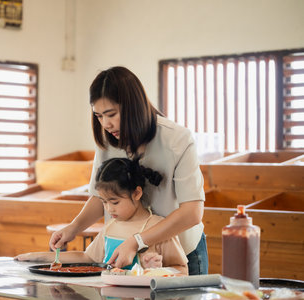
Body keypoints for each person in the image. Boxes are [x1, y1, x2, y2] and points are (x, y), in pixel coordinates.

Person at [49, 66, 208, 275]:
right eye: (98, 116)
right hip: (126, 253)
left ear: (133, 107)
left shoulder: (177, 139)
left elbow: (192, 213)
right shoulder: (108, 143)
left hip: (179, 255)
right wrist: (73, 228)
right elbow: (101, 197)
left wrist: (138, 241)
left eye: (111, 114)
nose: (106, 124)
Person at [15, 157, 189, 275]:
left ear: (136, 193)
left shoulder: (158, 228)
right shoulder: (111, 226)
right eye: (104, 202)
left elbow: (182, 269)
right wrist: (38, 257)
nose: (108, 209)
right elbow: (87, 258)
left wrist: (157, 271)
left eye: (114, 202)